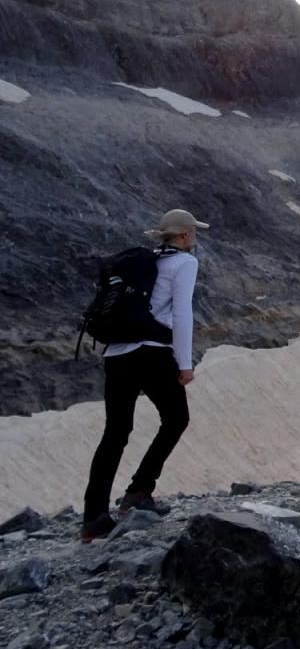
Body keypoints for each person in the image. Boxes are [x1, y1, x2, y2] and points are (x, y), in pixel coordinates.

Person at [81, 208, 208, 542]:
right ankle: (138, 492)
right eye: (193, 232)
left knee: (116, 432)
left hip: (117, 353)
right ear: (184, 235)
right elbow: (182, 314)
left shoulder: (147, 262)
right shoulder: (184, 263)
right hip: (152, 353)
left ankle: (93, 518)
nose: (194, 237)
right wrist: (184, 364)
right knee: (176, 418)